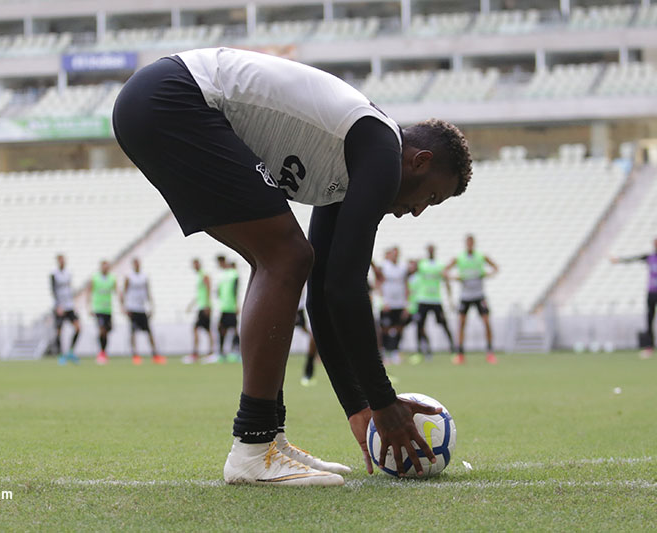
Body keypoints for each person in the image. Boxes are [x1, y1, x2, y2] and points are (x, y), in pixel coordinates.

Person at [112, 47, 472, 486]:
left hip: (159, 101)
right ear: (420, 161)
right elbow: (345, 288)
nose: (416, 211)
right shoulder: (381, 149)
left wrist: (358, 406)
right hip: (173, 97)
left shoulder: (358, 156)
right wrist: (383, 402)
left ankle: (267, 439)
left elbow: (323, 293)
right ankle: (253, 445)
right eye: (430, 197)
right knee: (286, 256)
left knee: (284, 259)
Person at [445, 235, 499, 365]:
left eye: (471, 242)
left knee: (486, 322)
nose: (469, 244)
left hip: (479, 295)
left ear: (474, 243)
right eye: (468, 242)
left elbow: (495, 268)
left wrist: (488, 274)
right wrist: (455, 278)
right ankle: (460, 353)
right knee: (462, 324)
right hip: (465, 296)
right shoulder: (460, 257)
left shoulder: (480, 256)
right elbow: (445, 271)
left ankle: (490, 352)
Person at [611, 237, 657, 359]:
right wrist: (619, 260)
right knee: (649, 319)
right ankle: (649, 347)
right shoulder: (649, 257)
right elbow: (633, 259)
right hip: (652, 292)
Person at [122, 258, 166, 365]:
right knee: (133, 332)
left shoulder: (144, 277)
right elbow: (124, 292)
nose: (137, 265)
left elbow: (148, 292)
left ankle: (155, 354)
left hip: (142, 308)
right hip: (132, 308)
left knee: (149, 332)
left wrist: (151, 306)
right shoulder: (129, 277)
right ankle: (135, 355)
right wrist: (124, 307)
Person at [416, 244, 455, 359]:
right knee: (420, 325)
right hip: (423, 299)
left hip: (436, 299)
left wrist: (450, 299)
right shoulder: (422, 264)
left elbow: (446, 281)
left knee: (444, 324)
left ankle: (453, 348)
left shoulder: (440, 265)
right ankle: (422, 350)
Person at [371, 247, 408, 365]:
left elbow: (406, 284)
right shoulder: (384, 267)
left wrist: (406, 303)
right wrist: (382, 301)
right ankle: (384, 352)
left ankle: (395, 351)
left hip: (399, 303)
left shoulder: (402, 268)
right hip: (387, 304)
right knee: (385, 329)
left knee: (398, 328)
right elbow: (378, 283)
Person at [205, 255, 241, 363]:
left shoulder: (232, 274)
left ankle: (235, 352)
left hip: (230, 307)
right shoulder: (227, 275)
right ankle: (223, 353)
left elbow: (234, 290)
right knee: (223, 329)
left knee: (232, 329)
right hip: (225, 307)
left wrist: (236, 305)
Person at [51, 254, 80, 365]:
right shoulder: (54, 274)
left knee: (78, 328)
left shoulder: (69, 273)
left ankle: (71, 351)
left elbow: (70, 289)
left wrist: (74, 303)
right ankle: (61, 355)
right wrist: (58, 305)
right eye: (60, 260)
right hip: (59, 306)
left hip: (69, 306)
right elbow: (53, 290)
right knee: (59, 331)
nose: (62, 262)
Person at [184, 258, 214, 364]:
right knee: (207, 330)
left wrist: (207, 305)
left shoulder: (204, 275)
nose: (194, 266)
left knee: (197, 328)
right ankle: (210, 353)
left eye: (195, 264)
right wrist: (191, 305)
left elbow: (208, 289)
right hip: (202, 306)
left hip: (204, 307)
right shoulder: (200, 276)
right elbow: (199, 294)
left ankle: (197, 353)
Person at [88, 260, 116, 365]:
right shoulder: (95, 278)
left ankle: (104, 352)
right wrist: (89, 307)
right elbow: (89, 291)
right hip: (98, 309)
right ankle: (101, 353)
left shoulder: (112, 278)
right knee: (102, 330)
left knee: (107, 331)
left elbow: (116, 291)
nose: (105, 268)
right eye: (104, 266)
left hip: (108, 309)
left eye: (107, 266)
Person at [297, 288, 319, 386]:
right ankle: (309, 369)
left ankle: (309, 370)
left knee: (315, 333)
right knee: (313, 333)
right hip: (303, 301)